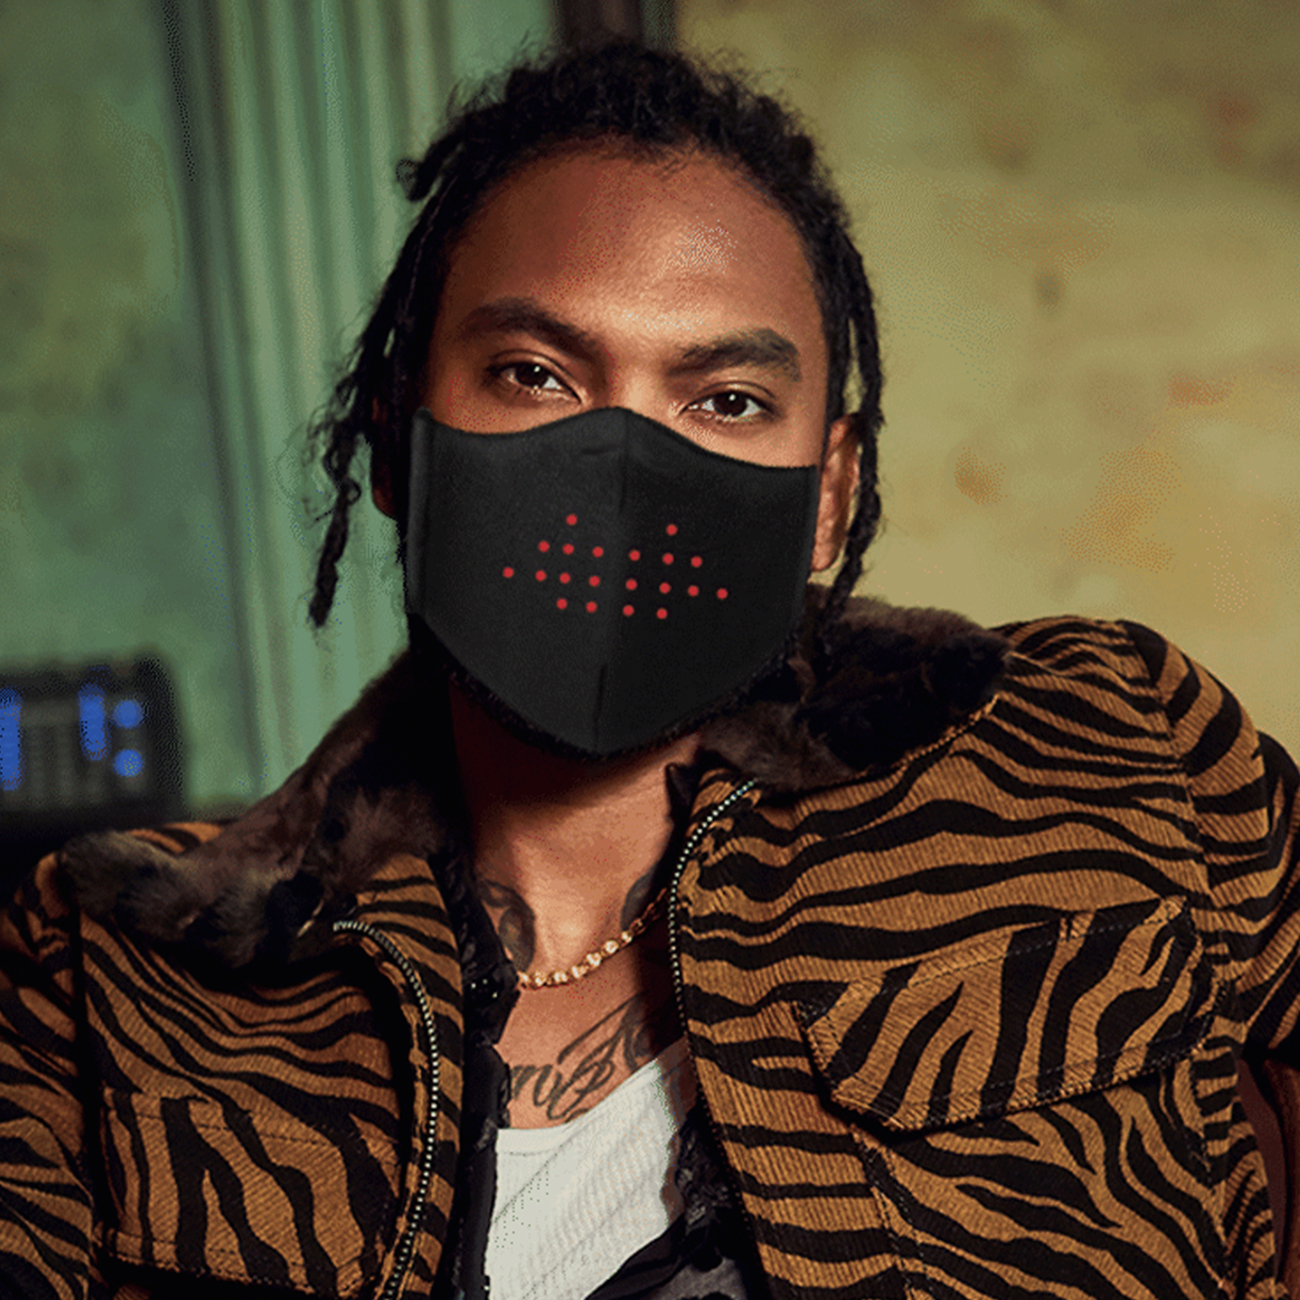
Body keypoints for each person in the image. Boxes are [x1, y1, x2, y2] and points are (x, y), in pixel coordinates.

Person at [1, 40, 1297, 1300]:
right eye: (536, 375)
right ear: (398, 440)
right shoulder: (106, 970)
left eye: (725, 399)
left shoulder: (1116, 750)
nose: (620, 480)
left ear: (830, 492)